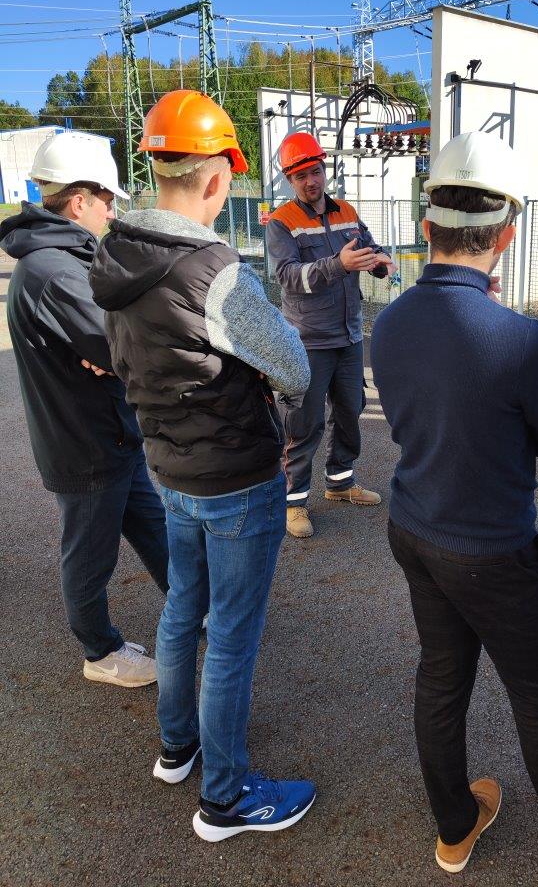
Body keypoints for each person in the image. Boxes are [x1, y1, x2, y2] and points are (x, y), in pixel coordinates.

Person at [371, 131, 538, 873]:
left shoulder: (388, 322)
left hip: (413, 525)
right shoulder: (520, 339)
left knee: (441, 677)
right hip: (492, 549)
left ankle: (455, 826)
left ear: (428, 226)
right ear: (507, 235)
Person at [89, 90, 315, 842]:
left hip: (168, 466)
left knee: (184, 606)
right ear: (217, 178)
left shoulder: (114, 252)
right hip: (235, 477)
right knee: (233, 637)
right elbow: (293, 367)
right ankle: (225, 798)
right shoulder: (213, 270)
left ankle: (177, 747)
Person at [0, 131, 168, 688]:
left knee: (154, 528)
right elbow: (120, 345)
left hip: (109, 433)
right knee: (90, 557)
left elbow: (116, 337)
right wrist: (117, 350)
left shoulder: (65, 258)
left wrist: (115, 348)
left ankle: (198, 607)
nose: (112, 211)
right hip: (86, 444)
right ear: (79, 202)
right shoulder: (53, 270)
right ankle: (101, 652)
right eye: (107, 200)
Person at [265, 132, 396, 539]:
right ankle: (293, 502)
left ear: (325, 170)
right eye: (301, 175)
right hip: (307, 341)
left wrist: (380, 261)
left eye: (316, 171)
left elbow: (368, 247)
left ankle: (340, 482)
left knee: (350, 411)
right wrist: (339, 265)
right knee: (304, 423)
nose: (311, 181)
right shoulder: (282, 222)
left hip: (349, 337)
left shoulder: (347, 212)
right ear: (290, 179)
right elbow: (288, 277)